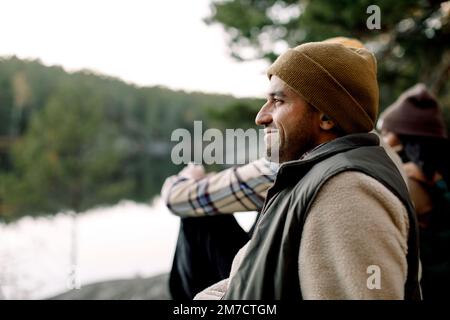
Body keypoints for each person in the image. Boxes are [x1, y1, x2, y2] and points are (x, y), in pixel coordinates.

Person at [163, 39, 419, 300]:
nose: (261, 117)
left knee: (198, 216)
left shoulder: (348, 190)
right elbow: (249, 276)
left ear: (327, 117)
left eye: (278, 101)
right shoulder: (313, 172)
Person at [378, 83, 450, 300]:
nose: (381, 139)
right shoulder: (438, 175)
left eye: (386, 132)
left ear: (400, 139)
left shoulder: (405, 180)